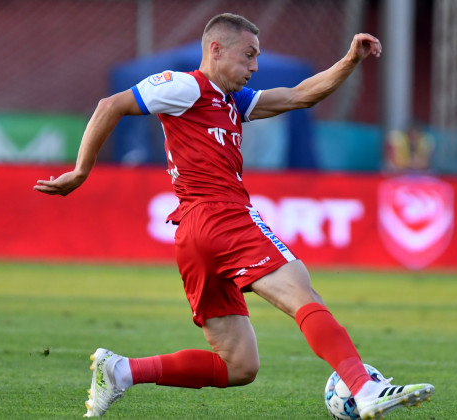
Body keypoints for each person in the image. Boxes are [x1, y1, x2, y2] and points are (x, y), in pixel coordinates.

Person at [35, 13, 434, 419]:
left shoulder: (231, 102)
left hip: (193, 235)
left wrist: (350, 60)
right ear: (216, 49)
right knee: (303, 294)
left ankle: (120, 372)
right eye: (249, 56)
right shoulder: (186, 85)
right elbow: (111, 104)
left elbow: (300, 95)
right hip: (222, 215)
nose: (255, 67)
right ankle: (364, 389)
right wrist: (81, 171)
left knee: (238, 365)